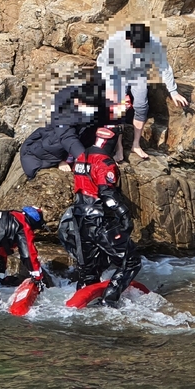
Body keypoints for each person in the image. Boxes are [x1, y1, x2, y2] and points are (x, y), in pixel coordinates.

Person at [58, 128, 140, 308]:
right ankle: (109, 301)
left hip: (79, 219)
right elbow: (107, 195)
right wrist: (124, 215)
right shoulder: (104, 162)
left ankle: (81, 301)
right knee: (131, 261)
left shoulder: (81, 157)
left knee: (88, 269)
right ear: (111, 144)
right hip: (98, 220)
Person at [97, 22, 189, 160]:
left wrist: (173, 91)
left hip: (138, 74)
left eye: (141, 48)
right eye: (135, 47)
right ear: (127, 39)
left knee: (141, 106)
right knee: (117, 108)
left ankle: (136, 144)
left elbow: (164, 67)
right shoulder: (115, 40)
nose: (138, 51)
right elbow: (102, 63)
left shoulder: (153, 43)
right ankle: (119, 148)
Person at [19, 79, 107, 179]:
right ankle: (60, 160)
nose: (91, 109)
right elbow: (67, 138)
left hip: (73, 148)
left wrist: (105, 157)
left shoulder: (96, 106)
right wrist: (86, 160)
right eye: (87, 105)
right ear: (77, 101)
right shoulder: (62, 113)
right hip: (42, 153)